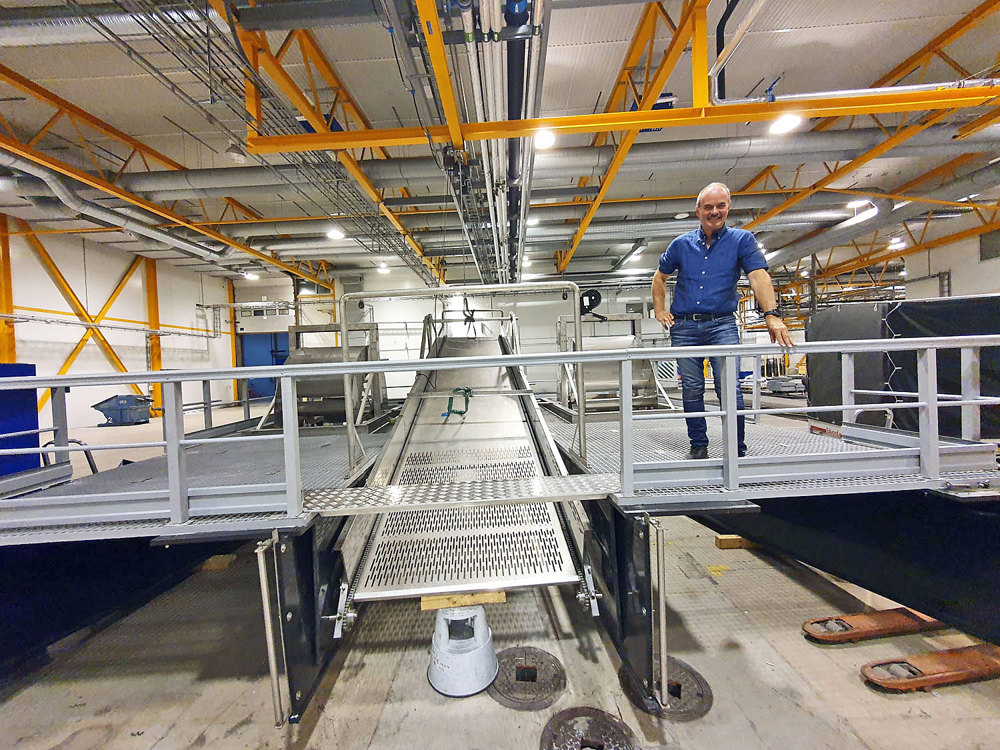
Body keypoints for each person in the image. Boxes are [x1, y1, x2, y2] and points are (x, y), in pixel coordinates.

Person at [651, 182, 793, 460]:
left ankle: (735, 448)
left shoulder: (741, 240)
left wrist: (772, 315)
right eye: (708, 207)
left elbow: (758, 276)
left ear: (729, 207)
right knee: (691, 388)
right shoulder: (681, 245)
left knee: (728, 387)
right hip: (684, 327)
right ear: (698, 211)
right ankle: (698, 444)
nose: (714, 212)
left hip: (722, 325)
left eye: (720, 206)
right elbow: (659, 276)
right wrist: (659, 311)